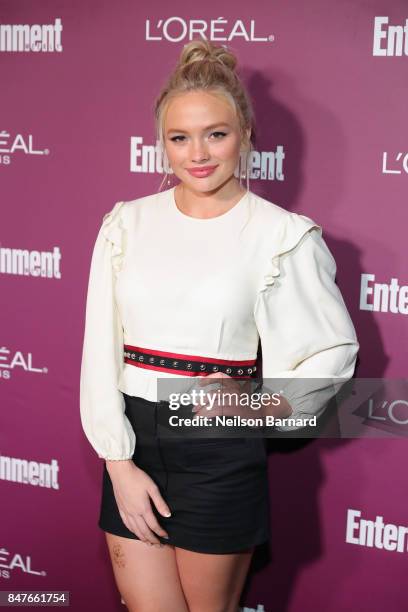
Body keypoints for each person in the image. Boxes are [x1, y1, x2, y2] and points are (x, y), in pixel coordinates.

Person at [79, 40, 359, 612]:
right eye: (179, 137)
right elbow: (99, 350)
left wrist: (255, 402)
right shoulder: (126, 224)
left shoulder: (281, 235)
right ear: (162, 144)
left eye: (217, 133)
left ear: (247, 135)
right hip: (130, 443)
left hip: (218, 443)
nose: (197, 153)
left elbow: (332, 355)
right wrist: (118, 460)